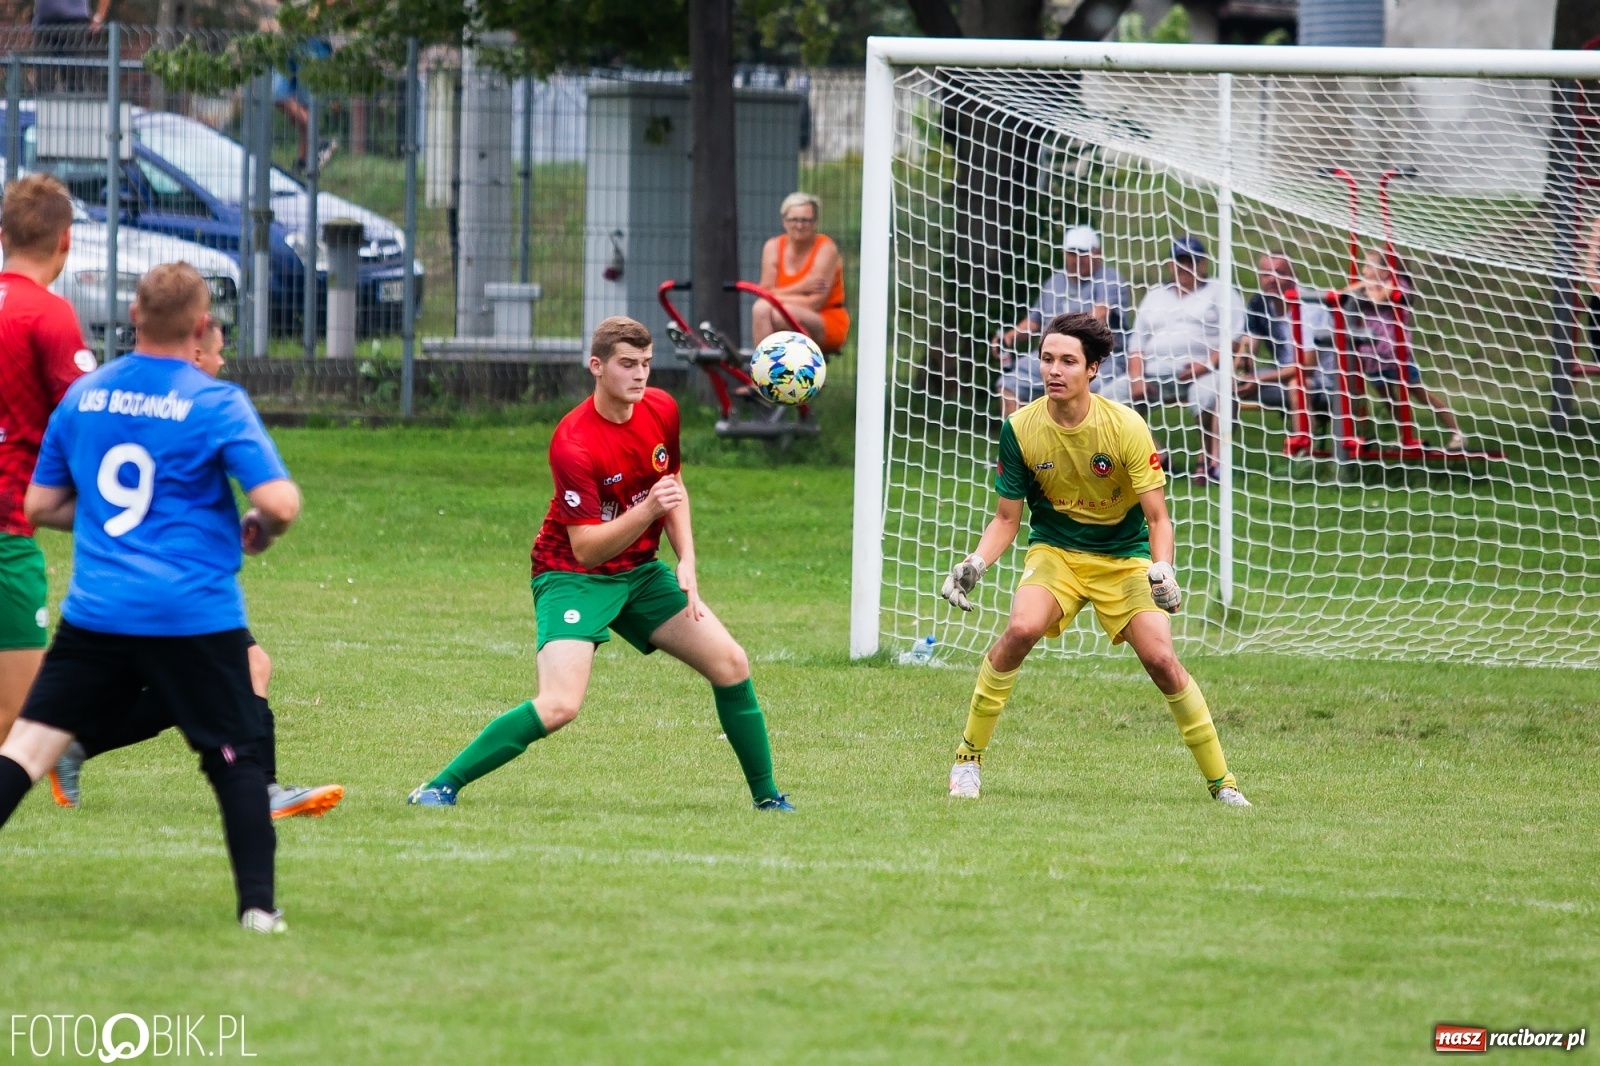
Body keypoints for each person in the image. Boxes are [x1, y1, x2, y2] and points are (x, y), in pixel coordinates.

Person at [0, 262, 302, 933]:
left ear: (133, 317)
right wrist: (259, 530)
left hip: (99, 611)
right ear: (200, 327)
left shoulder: (85, 397)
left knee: (27, 748)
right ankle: (258, 908)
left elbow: (41, 504)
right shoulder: (213, 401)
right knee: (234, 759)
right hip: (193, 612)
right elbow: (279, 502)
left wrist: (104, 516)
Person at [408, 315, 792, 811]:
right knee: (561, 705)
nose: (640, 375)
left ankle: (768, 800)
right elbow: (587, 546)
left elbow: (672, 486)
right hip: (572, 575)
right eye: (627, 364)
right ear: (597, 366)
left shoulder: (661, 410)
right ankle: (439, 786)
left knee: (731, 663)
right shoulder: (573, 442)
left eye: (647, 364)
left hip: (639, 572)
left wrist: (687, 557)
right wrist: (648, 510)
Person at [938, 311, 1249, 808]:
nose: (1053, 371)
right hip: (1056, 552)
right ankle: (967, 760)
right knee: (1020, 630)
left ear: (1094, 369)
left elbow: (1158, 520)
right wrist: (974, 562)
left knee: (1163, 661)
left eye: (1067, 361)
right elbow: (1006, 519)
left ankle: (1224, 784)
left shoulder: (1125, 427)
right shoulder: (1019, 428)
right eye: (1046, 359)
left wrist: (1162, 568)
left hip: (1124, 557)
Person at [46, 319, 345, 821]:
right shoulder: (202, 407)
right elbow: (273, 501)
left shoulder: (113, 398)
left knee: (200, 679)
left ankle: (74, 745)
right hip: (179, 588)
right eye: (218, 351)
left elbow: (69, 500)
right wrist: (259, 523)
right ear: (195, 350)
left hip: (128, 583)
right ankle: (263, 793)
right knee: (237, 671)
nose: (222, 362)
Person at [0, 174, 96, 747]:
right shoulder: (47, 314)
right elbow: (89, 418)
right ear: (65, 241)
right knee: (19, 716)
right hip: (7, 533)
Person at [1188, 253, 1335, 467]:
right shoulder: (1260, 302)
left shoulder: (1310, 307)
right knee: (1225, 385)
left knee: (1297, 385)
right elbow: (1249, 344)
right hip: (1281, 376)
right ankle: (1214, 464)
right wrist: (1239, 368)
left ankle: (1305, 461)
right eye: (1266, 273)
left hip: (1324, 382)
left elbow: (1307, 366)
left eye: (1279, 272)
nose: (1271, 279)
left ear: (1294, 275)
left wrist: (1259, 380)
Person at [1126, 236, 1247, 483]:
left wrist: (1205, 365)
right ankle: (1158, 456)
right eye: (1180, 261)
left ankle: (1209, 463)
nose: (1185, 267)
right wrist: (1137, 378)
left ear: (1203, 263)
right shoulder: (1155, 295)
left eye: (1192, 261)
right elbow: (1136, 346)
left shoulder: (1221, 292)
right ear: (1170, 265)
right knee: (1107, 399)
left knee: (1206, 395)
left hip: (1204, 369)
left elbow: (1234, 340)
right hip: (1154, 373)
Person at [994, 224, 1133, 415]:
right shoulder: (1054, 282)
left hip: (1099, 361)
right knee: (1008, 385)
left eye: (1082, 253)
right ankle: (1023, 442)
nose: (1076, 259)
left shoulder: (1109, 279)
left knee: (1082, 395)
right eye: (1071, 253)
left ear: (1097, 253)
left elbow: (1099, 315)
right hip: (1051, 358)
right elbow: (1034, 321)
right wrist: (1010, 336)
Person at [1339, 250, 1465, 452]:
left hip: (1396, 354)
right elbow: (1344, 292)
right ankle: (1404, 433)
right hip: (1372, 355)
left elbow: (1380, 298)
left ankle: (1456, 432)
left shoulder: (1399, 286)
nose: (1365, 270)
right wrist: (1362, 286)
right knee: (1387, 396)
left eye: (1371, 266)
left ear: (1388, 270)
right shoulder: (1367, 287)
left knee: (1418, 392)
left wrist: (1365, 288)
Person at [750, 193, 849, 354]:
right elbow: (764, 295)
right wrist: (802, 286)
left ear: (815, 222)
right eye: (794, 220)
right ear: (784, 221)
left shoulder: (826, 249)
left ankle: (791, 368)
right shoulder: (773, 247)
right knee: (760, 309)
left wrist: (774, 296)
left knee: (778, 314)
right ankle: (762, 372)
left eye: (805, 220)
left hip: (823, 318)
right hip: (784, 312)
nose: (799, 225)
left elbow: (814, 302)